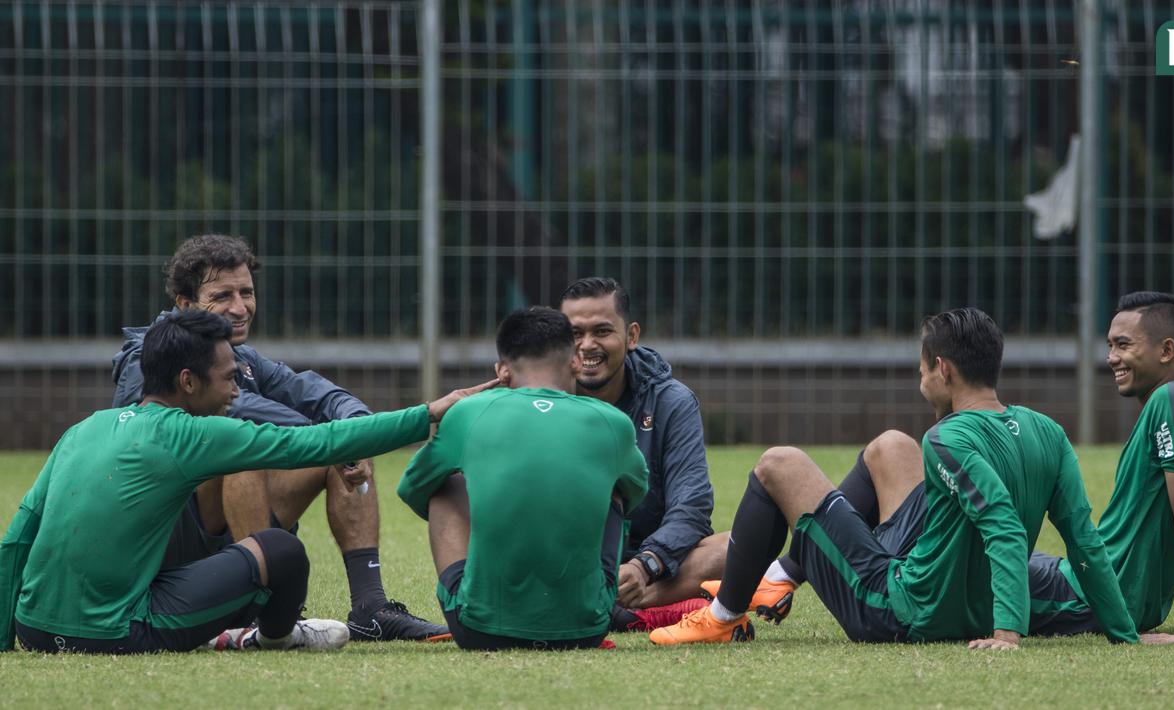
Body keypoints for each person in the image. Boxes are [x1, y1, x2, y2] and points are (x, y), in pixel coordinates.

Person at [650, 307, 1145, 648]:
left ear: (942, 369)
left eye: (922, 369)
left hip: (897, 611)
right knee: (891, 446)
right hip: (957, 593)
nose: (920, 380)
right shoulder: (1049, 432)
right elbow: (1084, 539)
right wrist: (1126, 632)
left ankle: (723, 616)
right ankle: (780, 575)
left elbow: (1005, 529)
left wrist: (1008, 634)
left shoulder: (948, 439)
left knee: (780, 464)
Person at [0, 310, 491, 654]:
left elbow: (18, 536)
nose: (237, 388)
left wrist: (7, 640)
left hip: (32, 628)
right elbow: (319, 444)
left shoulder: (82, 428)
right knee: (280, 551)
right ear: (189, 382)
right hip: (116, 633)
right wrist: (429, 413)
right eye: (229, 377)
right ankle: (273, 637)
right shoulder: (191, 434)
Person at [111, 234, 446, 641]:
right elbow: (224, 418)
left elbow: (318, 393)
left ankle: (370, 608)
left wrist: (349, 433)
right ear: (184, 304)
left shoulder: (241, 358)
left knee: (352, 439)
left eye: (246, 292)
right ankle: (258, 616)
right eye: (223, 295)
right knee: (245, 449)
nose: (240, 307)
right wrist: (323, 437)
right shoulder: (146, 355)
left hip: (219, 532)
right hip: (164, 545)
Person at [396, 307, 649, 650]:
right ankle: (584, 600)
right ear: (575, 361)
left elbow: (413, 488)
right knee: (613, 491)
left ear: (502, 371)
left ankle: (473, 595)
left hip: (479, 630)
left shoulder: (470, 411)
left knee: (445, 484)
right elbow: (636, 491)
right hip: (588, 630)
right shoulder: (613, 421)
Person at [1030, 292, 1174, 642]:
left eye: (1123, 345)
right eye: (1109, 346)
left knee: (956, 562)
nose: (1111, 358)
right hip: (1087, 582)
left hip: (1086, 596)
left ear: (1166, 351)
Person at [559, 277, 722, 629]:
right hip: (565, 562)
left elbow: (691, 508)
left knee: (737, 549)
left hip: (653, 568)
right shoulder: (539, 399)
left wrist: (645, 565)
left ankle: (610, 606)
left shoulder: (672, 401)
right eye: (574, 334)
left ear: (631, 336)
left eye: (602, 331)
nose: (587, 346)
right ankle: (635, 610)